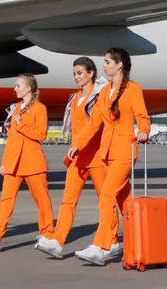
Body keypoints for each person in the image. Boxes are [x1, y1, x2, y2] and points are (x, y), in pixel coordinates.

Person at [71, 47, 150, 266]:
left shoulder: (133, 89)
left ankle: (101, 246)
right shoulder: (104, 92)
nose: (104, 65)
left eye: (107, 61)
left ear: (119, 64)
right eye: (104, 61)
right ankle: (139, 240)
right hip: (106, 152)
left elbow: (142, 116)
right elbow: (94, 123)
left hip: (125, 151)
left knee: (105, 196)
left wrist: (143, 130)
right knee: (124, 201)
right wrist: (77, 144)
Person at [35, 57, 120, 259]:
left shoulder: (99, 96)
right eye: (74, 73)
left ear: (91, 73)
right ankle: (58, 241)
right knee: (67, 201)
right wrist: (74, 147)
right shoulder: (75, 98)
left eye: (80, 73)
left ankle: (113, 240)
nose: (76, 77)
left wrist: (77, 144)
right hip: (78, 158)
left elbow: (95, 125)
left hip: (97, 156)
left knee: (105, 201)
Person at [0, 73, 55, 251]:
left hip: (33, 162)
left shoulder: (39, 108)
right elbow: (11, 139)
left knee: (42, 200)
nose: (14, 89)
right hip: (14, 162)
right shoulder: (17, 108)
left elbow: (41, 134)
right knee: (5, 200)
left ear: (28, 88)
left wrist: (21, 125)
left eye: (18, 86)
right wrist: (4, 161)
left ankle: (48, 234)